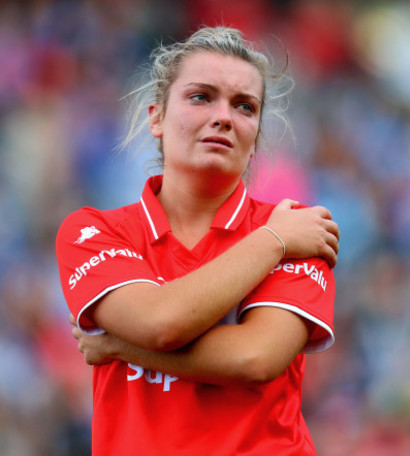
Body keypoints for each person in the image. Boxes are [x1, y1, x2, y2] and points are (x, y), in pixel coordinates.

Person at [55, 26, 340, 455]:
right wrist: (274, 241)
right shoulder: (92, 231)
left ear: (255, 135)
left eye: (245, 106)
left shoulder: (299, 229)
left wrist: (119, 345)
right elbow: (159, 323)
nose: (224, 116)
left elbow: (255, 359)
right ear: (156, 117)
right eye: (201, 97)